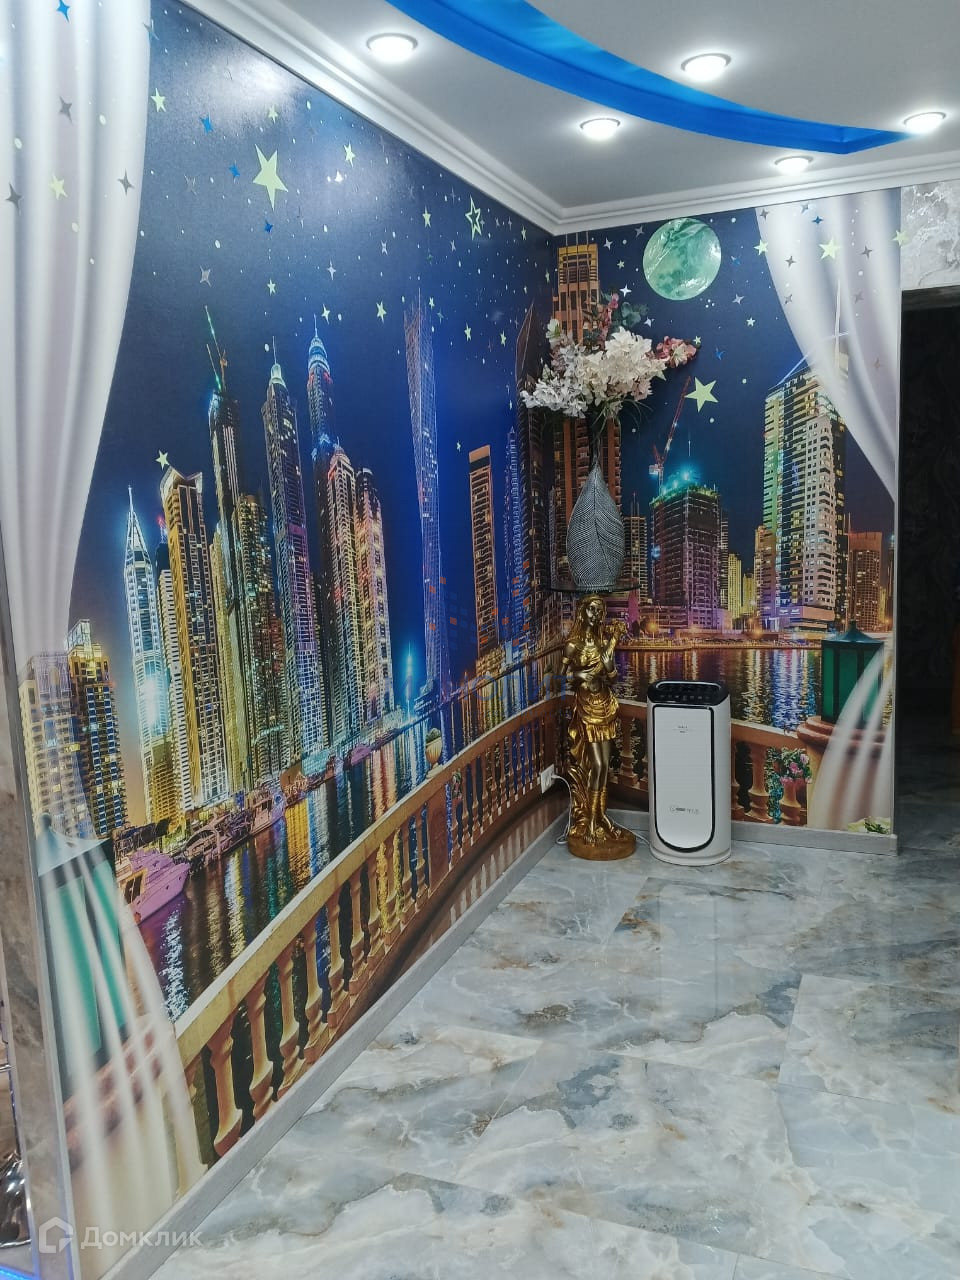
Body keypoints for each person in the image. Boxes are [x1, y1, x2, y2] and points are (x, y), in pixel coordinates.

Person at [561, 594, 631, 850]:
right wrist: (580, 675)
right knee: (597, 765)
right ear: (582, 612)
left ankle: (600, 817)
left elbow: (612, 678)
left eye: (599, 611)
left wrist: (609, 666)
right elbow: (562, 677)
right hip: (586, 708)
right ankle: (590, 822)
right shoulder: (573, 645)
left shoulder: (603, 644)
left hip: (605, 705)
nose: (596, 615)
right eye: (591, 609)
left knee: (605, 767)